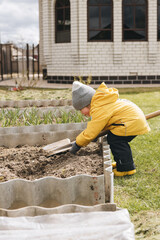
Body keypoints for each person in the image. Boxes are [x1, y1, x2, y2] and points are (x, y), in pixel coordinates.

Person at [70, 81, 150, 177]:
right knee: (117, 140)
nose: (81, 113)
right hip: (131, 121)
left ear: (86, 104)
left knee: (116, 141)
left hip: (130, 123)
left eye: (80, 109)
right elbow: (104, 122)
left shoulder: (99, 108)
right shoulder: (102, 103)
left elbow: (92, 130)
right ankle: (122, 163)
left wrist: (78, 143)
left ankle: (126, 169)